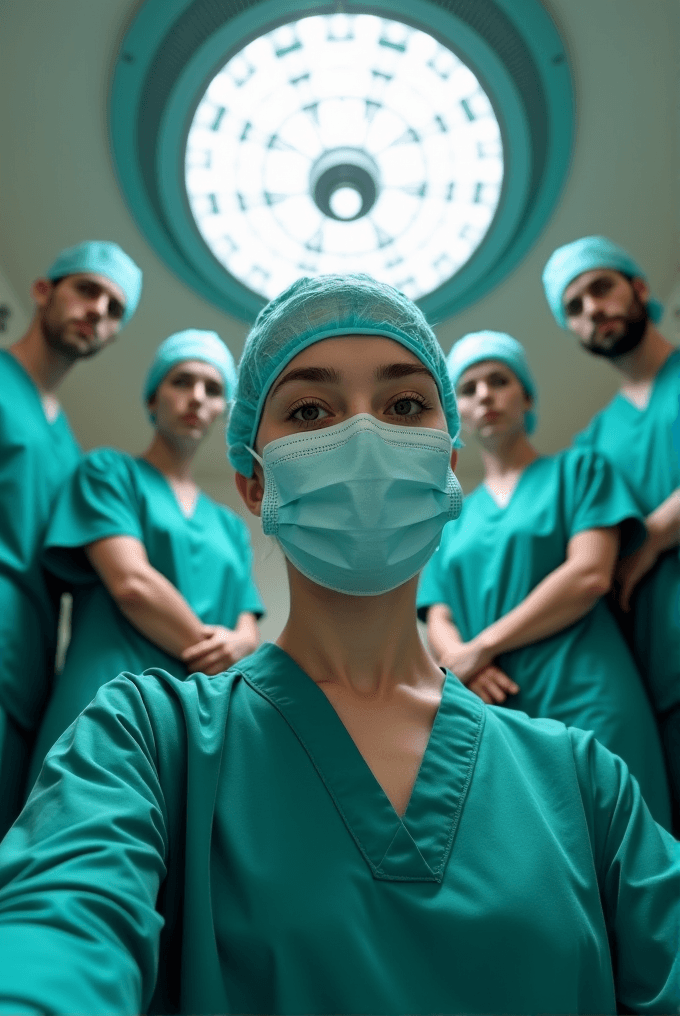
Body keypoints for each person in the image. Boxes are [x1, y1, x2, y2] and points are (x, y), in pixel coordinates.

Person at [0, 276, 677, 1016]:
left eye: (406, 405)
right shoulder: (144, 742)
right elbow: (57, 933)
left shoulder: (585, 785)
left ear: (448, 466)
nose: (365, 437)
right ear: (254, 484)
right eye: (311, 409)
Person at [417, 329, 671, 829]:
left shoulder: (581, 470)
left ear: (527, 396)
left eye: (499, 380)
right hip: (500, 712)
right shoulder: (451, 523)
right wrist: (458, 659)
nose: (484, 395)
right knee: (539, 871)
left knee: (633, 858)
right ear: (455, 417)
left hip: (590, 693)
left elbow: (590, 574)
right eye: (468, 389)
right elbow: (438, 612)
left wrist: (481, 646)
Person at [26, 329, 263, 789]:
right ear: (153, 398)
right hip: (105, 699)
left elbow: (246, 621)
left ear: (221, 411)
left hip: (200, 720)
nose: (197, 397)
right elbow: (131, 583)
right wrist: (216, 654)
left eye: (212, 389)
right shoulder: (108, 472)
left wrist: (242, 644)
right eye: (182, 381)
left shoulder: (231, 526)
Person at [0, 240, 142, 837]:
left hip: (26, 661)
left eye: (114, 309)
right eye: (87, 290)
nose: (98, 312)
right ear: (42, 290)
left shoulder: (73, 451)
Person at [543, 235, 680, 831]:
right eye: (573, 307)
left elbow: (634, 542)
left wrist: (650, 535)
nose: (591, 309)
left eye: (601, 288)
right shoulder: (592, 445)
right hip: (659, 663)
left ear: (640, 289)